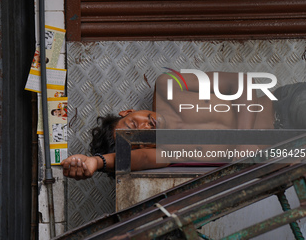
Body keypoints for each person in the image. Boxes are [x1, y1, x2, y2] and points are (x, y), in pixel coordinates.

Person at [61, 71, 306, 180]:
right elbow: (135, 159)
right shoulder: (169, 150)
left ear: (127, 111)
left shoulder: (168, 85)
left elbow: (242, 83)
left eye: (134, 122)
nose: (148, 127)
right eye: (139, 136)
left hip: (285, 109)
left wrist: (242, 139)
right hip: (288, 151)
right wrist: (96, 162)